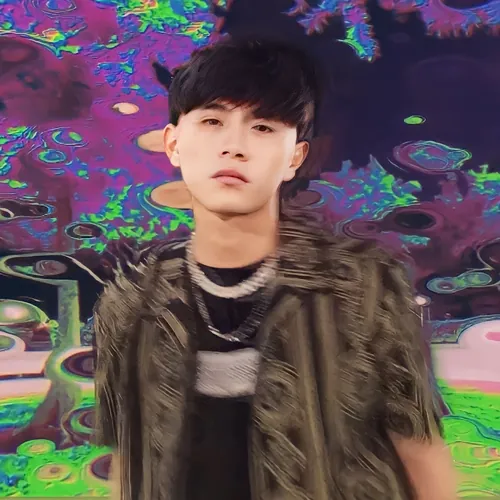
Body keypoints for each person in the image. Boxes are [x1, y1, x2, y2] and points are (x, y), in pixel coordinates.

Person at [93, 38, 458, 500]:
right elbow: (129, 460)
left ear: (295, 158)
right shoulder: (130, 302)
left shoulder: (364, 286)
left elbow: (420, 447)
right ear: (174, 143)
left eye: (263, 127)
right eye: (212, 121)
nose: (234, 147)